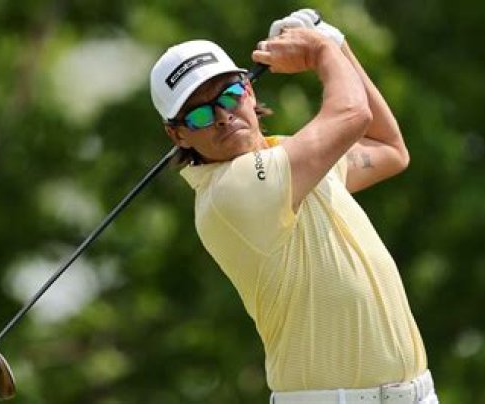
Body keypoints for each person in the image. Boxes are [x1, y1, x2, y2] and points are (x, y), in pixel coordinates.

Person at [149, 9, 438, 404]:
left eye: (229, 95)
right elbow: (353, 113)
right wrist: (320, 51)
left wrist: (338, 46)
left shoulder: (290, 158)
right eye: (199, 114)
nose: (222, 117)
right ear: (178, 135)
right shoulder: (231, 190)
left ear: (249, 91)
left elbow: (389, 149)